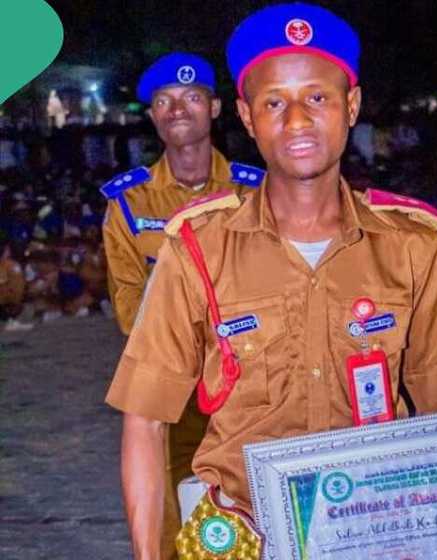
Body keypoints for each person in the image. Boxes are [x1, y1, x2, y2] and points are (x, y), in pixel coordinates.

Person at [105, 4, 437, 557]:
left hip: (377, 532)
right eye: (274, 102)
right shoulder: (196, 250)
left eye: (317, 98)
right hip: (238, 537)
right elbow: (144, 419)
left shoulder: (412, 245)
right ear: (247, 115)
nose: (297, 121)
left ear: (351, 106)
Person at [99, 52, 265, 559]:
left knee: (258, 507)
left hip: (249, 387)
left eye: (192, 98)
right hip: (172, 392)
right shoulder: (129, 204)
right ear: (152, 116)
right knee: (172, 515)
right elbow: (129, 300)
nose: (178, 109)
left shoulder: (255, 191)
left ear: (215, 108)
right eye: (164, 101)